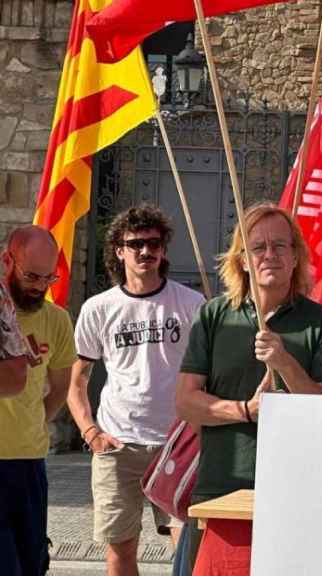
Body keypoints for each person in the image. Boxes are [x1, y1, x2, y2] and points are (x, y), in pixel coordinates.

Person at [175, 203, 322, 573]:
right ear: (241, 259)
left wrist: (286, 363)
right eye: (259, 247)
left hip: (297, 491)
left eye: (281, 246)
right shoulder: (214, 315)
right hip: (221, 487)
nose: (270, 255)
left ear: (296, 256)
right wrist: (247, 410)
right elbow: (186, 402)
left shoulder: (321, 321)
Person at [67, 206, 204, 576]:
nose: (146, 251)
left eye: (154, 243)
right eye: (136, 244)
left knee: (186, 554)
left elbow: (208, 373)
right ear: (119, 251)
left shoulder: (191, 304)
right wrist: (90, 432)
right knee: (119, 554)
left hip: (176, 444)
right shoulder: (99, 308)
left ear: (163, 249)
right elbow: (76, 379)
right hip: (118, 446)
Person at [0, 226, 70, 576]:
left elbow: (60, 386)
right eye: (31, 275)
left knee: (30, 563)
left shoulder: (57, 319)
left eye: (49, 278)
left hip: (27, 461)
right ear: (7, 261)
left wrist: (35, 421)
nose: (40, 286)